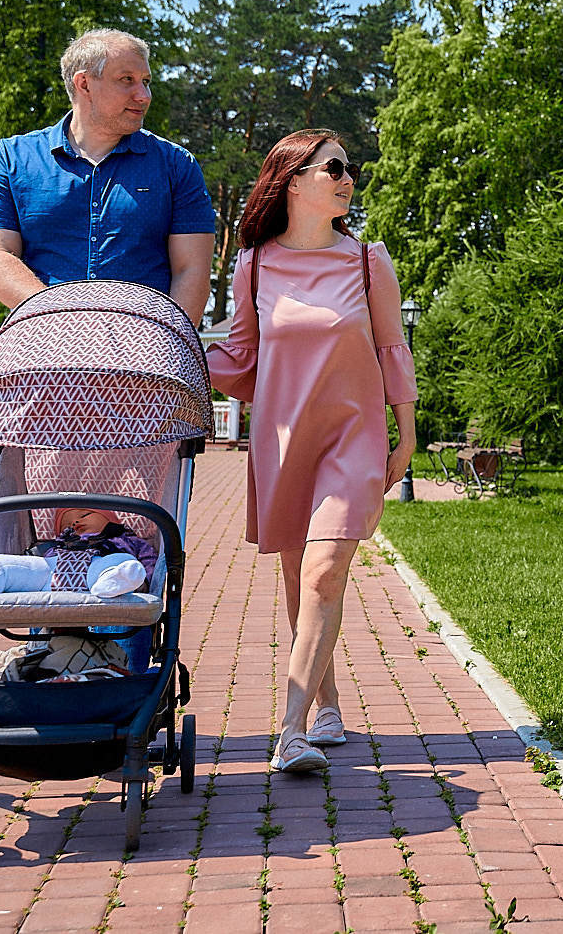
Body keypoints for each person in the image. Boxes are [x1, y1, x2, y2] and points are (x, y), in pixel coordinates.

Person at [205, 129, 417, 773]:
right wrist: (171, 356)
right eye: (334, 168)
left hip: (354, 437)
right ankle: (327, 705)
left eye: (350, 169)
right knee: (301, 580)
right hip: (283, 439)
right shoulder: (255, 265)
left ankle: (290, 730)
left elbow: (392, 347)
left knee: (325, 571)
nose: (348, 178)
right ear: (294, 181)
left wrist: (407, 431)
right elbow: (242, 356)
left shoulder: (367, 261)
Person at [0, 28, 215, 324]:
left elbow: (192, 272)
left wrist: (168, 342)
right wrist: (62, 321)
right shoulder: (9, 159)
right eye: (127, 80)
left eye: (146, 82)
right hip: (41, 339)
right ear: (84, 84)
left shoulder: (177, 164)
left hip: (145, 343)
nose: (144, 96)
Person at [0, 506, 157, 606]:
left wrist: (146, 581)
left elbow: (149, 561)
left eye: (84, 515)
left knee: (124, 562)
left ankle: (117, 581)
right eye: (67, 522)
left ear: (112, 519)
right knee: (0, 564)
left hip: (100, 568)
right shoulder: (53, 545)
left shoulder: (125, 540)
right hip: (51, 573)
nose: (76, 522)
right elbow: (34, 562)